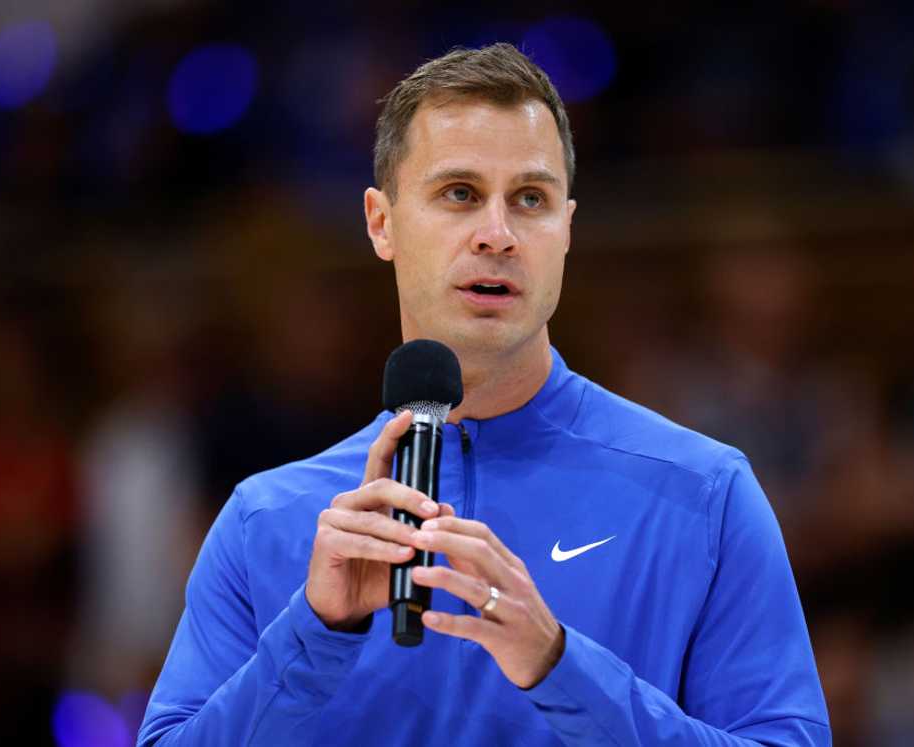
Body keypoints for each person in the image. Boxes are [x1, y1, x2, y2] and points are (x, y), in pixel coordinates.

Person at [138, 43, 830, 746]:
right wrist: (314, 634)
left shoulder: (703, 493)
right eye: (460, 194)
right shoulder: (267, 519)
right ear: (381, 222)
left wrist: (561, 667)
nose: (496, 234)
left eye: (530, 199)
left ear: (567, 227)